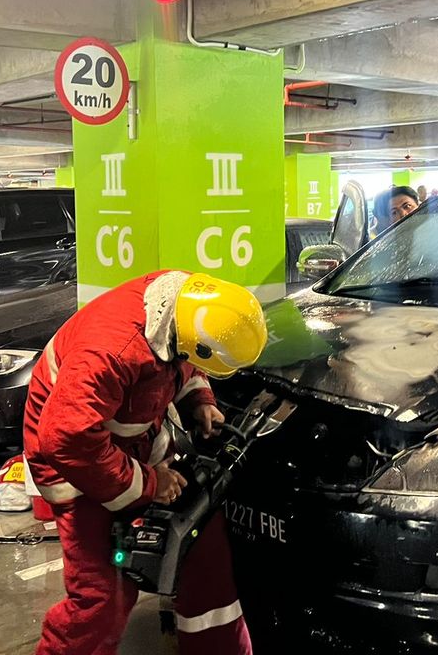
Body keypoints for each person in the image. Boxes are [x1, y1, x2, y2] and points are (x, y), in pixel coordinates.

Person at [24, 270, 268, 655]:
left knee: (206, 555)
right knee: (104, 596)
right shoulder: (109, 352)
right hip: (77, 463)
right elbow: (67, 439)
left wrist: (199, 400)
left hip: (130, 443)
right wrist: (150, 484)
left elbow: (186, 359)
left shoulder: (185, 306)